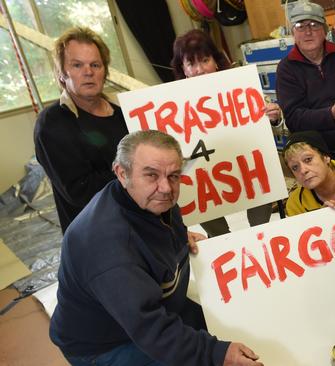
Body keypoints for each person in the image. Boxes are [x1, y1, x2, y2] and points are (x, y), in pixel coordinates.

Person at [50, 130, 263, 366]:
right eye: (151, 175)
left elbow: (149, 232)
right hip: (105, 344)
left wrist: (178, 236)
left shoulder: (146, 200)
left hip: (150, 309)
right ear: (122, 173)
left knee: (236, 324)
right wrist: (217, 354)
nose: (166, 188)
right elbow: (150, 329)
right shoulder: (106, 245)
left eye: (174, 176)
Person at [170, 29, 281, 237]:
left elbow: (269, 129)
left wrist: (273, 118)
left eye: (204, 60)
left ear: (216, 61)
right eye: (191, 64)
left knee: (263, 177)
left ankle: (261, 236)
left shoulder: (241, 88)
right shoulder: (172, 105)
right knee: (191, 186)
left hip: (245, 164)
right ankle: (222, 240)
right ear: (183, 69)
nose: (200, 70)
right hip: (205, 171)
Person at [34, 27, 129, 233]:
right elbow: (79, 191)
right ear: (61, 74)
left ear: (105, 71)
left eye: (95, 64)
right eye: (77, 65)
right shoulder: (52, 124)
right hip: (97, 234)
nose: (89, 72)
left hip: (141, 223)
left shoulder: (125, 112)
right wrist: (137, 170)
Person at [276, 1, 335, 164]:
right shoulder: (286, 68)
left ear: (325, 30)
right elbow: (293, 118)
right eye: (300, 26)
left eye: (314, 24)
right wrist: (331, 114)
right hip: (317, 151)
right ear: (293, 33)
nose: (308, 32)